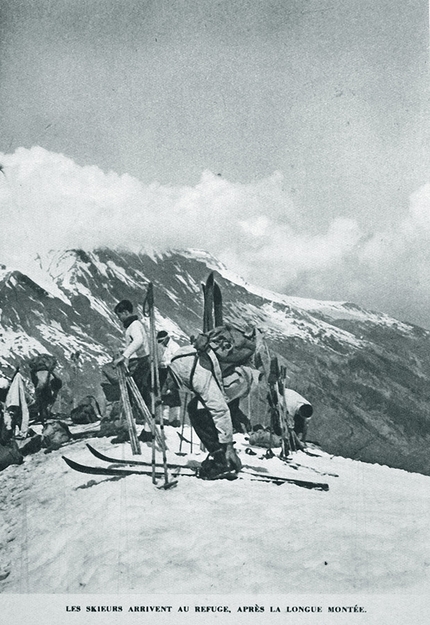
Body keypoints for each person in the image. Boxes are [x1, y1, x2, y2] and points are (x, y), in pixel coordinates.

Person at [168, 344, 243, 480]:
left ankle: (223, 461)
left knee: (198, 410)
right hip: (228, 373)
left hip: (239, 378)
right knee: (196, 408)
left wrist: (229, 446)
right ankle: (222, 456)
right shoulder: (177, 361)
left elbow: (220, 410)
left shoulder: (197, 378)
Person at [156, 330, 181, 427]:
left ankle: (175, 419)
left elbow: (176, 359)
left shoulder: (174, 347)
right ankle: (166, 418)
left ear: (166, 338)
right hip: (165, 371)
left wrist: (165, 364)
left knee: (172, 392)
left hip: (172, 371)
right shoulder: (163, 346)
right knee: (165, 392)